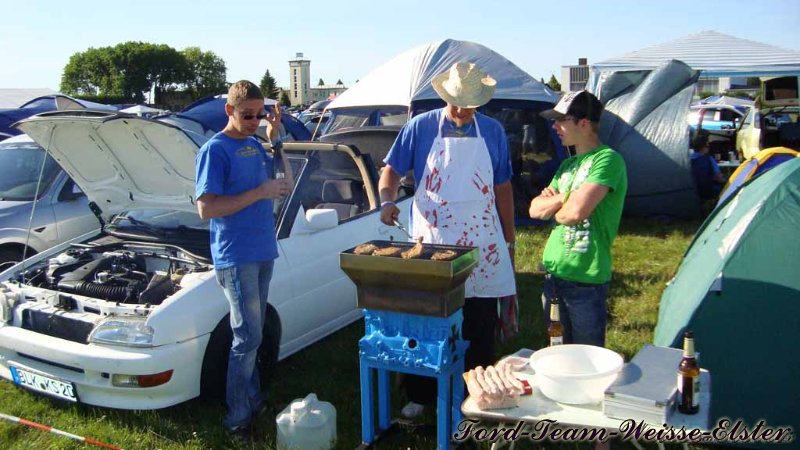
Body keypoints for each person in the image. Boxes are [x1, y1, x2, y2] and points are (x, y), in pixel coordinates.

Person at [379, 62, 516, 419]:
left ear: (479, 103)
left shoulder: (493, 132)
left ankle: (478, 397)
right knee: (429, 318)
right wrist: (387, 199)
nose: (461, 110)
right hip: (433, 238)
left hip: (481, 241)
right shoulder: (421, 127)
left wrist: (509, 237)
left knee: (478, 321)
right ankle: (422, 394)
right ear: (445, 96)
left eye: (468, 104)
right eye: (456, 102)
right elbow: (391, 170)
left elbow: (502, 186)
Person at [194, 80, 293, 437]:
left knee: (253, 334)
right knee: (246, 337)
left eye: (259, 114)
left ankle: (251, 399)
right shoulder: (215, 150)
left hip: (263, 250)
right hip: (236, 257)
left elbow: (285, 184)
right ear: (229, 111)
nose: (253, 120)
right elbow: (206, 209)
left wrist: (276, 139)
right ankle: (237, 418)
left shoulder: (255, 144)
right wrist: (259, 193)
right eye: (247, 114)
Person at [528, 90, 627, 347]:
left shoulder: (608, 160)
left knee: (586, 359)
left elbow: (574, 214)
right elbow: (535, 210)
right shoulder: (567, 166)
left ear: (584, 123)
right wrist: (569, 196)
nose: (555, 126)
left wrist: (561, 202)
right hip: (553, 275)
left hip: (586, 279)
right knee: (556, 351)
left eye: (562, 120)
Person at [689, 131, 725, 201]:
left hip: (693, 191)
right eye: (707, 146)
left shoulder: (688, 159)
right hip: (709, 190)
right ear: (704, 147)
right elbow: (719, 178)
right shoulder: (708, 159)